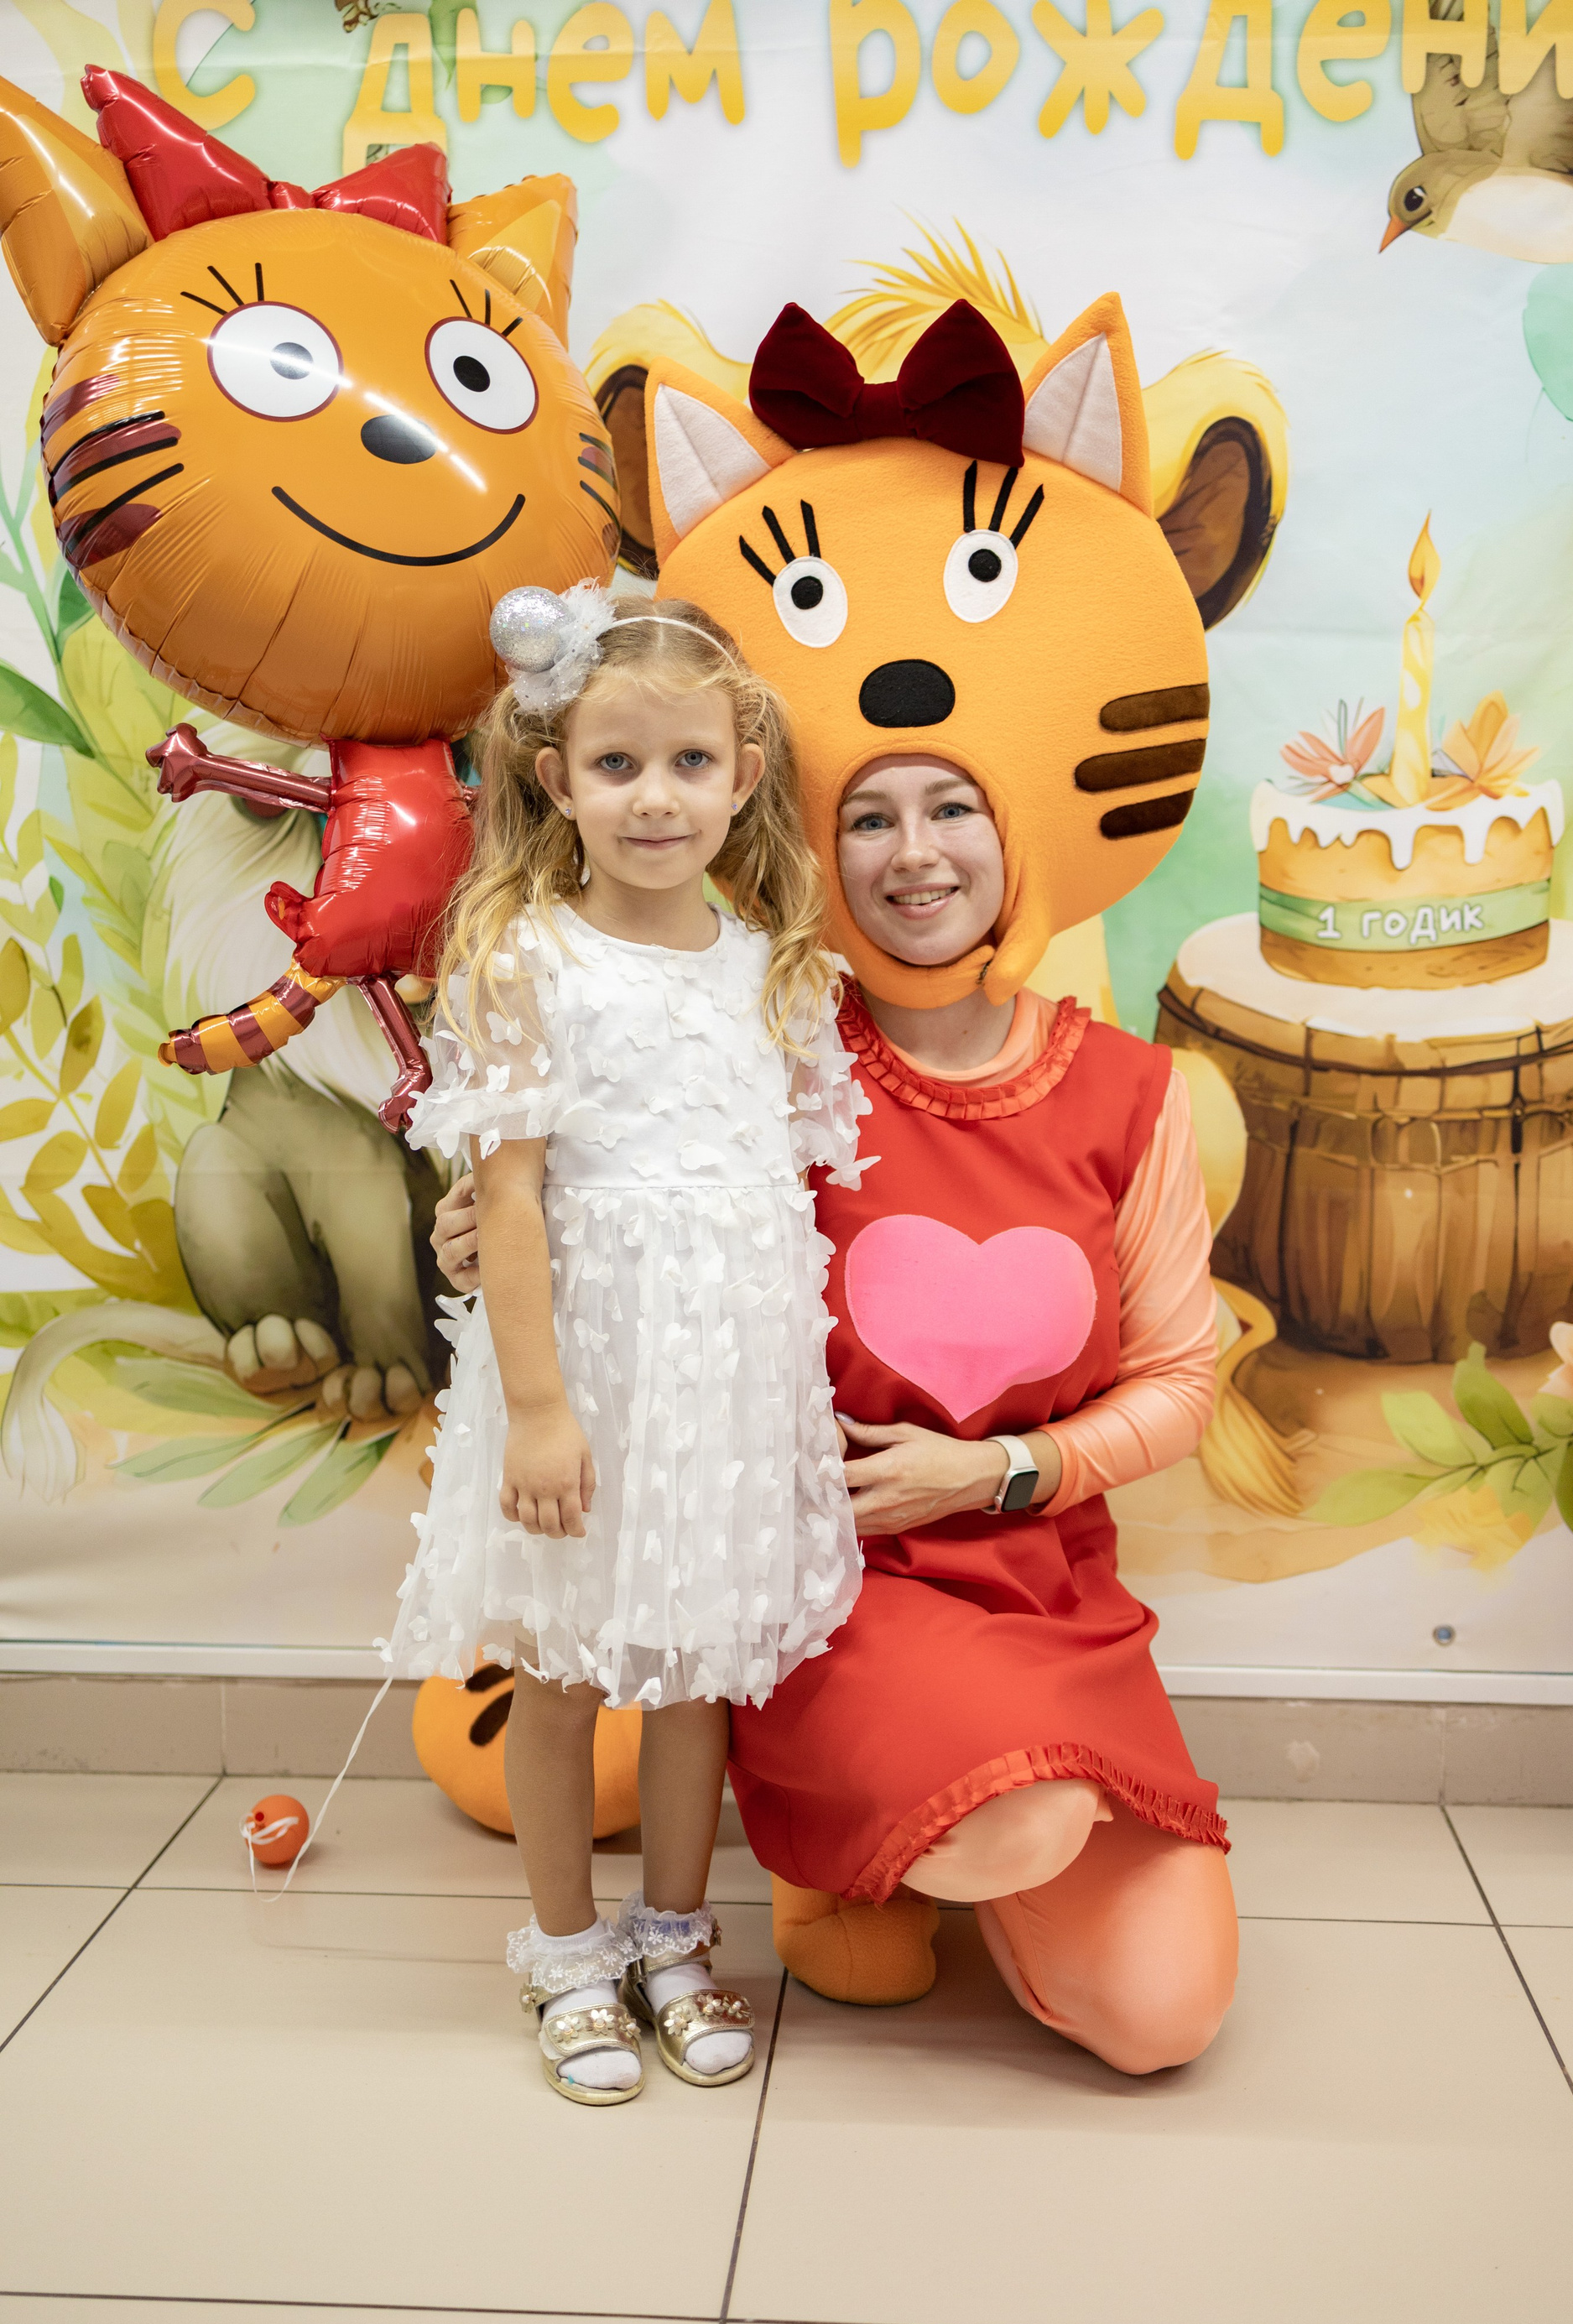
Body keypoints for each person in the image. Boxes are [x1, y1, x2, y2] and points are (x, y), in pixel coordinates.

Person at [433, 746, 1237, 2076]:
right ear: (819, 852)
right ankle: (844, 1847)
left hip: (1043, 1583)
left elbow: (1182, 1381)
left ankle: (950, 1817)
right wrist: (494, 1233)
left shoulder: (1132, 1091)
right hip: (822, 1578)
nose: (915, 852)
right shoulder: (775, 1040)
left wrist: (1003, 1471)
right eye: (871, 819)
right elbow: (623, 1211)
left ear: (1015, 836)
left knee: (1162, 2016)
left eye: (954, 808)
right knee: (1010, 1821)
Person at [390, 587, 867, 2108]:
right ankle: (566, 1951)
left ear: (742, 776)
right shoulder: (524, 960)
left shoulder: (774, 964)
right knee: (559, 1664)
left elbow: (778, 1199)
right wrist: (540, 1409)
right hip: (585, 1368)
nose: (654, 798)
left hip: (718, 1378)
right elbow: (509, 1200)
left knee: (689, 1669)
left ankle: (672, 1934)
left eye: (687, 764)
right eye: (616, 766)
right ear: (555, 780)